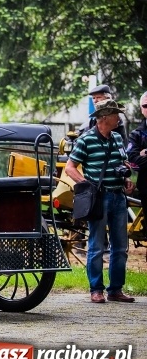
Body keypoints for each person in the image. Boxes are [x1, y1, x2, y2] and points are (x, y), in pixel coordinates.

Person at [64, 99, 136, 303]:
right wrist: (87, 185)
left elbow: (122, 163)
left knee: (120, 247)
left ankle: (115, 290)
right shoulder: (86, 140)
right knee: (96, 245)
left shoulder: (117, 139)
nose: (119, 118)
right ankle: (96, 289)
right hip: (99, 198)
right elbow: (70, 168)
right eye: (116, 114)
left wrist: (127, 179)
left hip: (118, 197)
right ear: (104, 117)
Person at [126, 91, 147, 200]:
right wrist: (138, 157)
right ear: (141, 109)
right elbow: (132, 160)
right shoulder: (136, 134)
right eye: (145, 106)